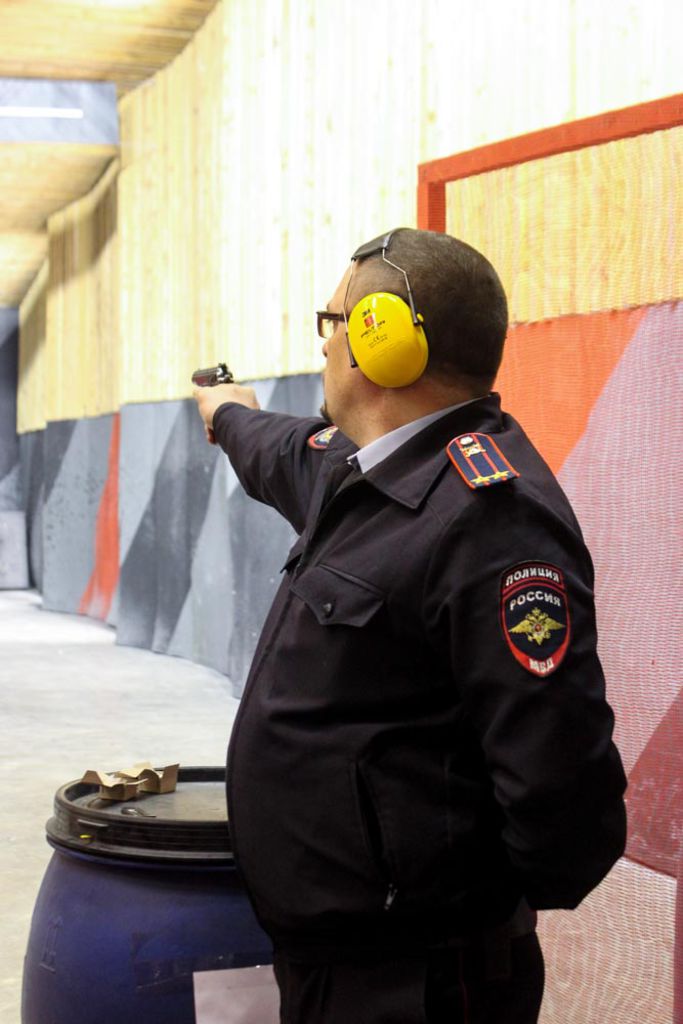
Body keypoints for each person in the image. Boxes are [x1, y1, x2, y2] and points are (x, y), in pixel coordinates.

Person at [193, 228, 627, 1024]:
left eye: (332, 322)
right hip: (339, 963)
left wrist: (461, 914)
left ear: (380, 339)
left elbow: (559, 780)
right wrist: (225, 412)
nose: (325, 346)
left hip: (415, 980)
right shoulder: (365, 468)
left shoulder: (489, 519)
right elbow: (277, 448)